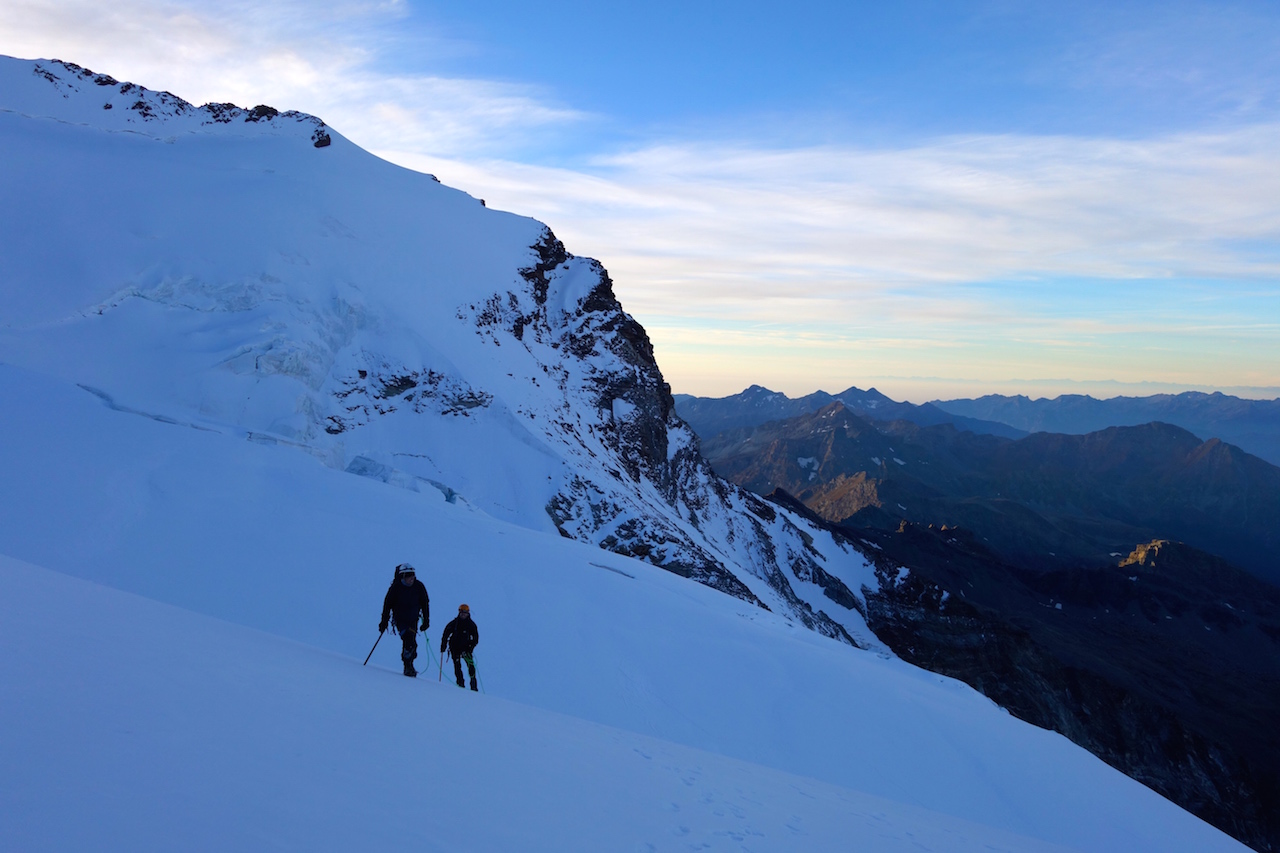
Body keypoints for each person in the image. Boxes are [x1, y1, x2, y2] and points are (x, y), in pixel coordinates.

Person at [379, 563, 429, 677]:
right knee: (409, 640)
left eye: (413, 575)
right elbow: (387, 605)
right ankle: (408, 666)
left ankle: (409, 664)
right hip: (400, 619)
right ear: (403, 576)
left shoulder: (419, 586)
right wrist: (384, 621)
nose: (412, 578)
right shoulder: (395, 588)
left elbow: (425, 603)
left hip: (413, 619)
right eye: (409, 575)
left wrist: (426, 620)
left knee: (412, 643)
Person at [440, 604, 480, 690]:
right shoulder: (454, 623)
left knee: (471, 666)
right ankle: (460, 684)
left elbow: (476, 639)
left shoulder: (471, 625)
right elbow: (446, 633)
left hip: (466, 649)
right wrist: (443, 645)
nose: (463, 614)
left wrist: (470, 648)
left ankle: (473, 685)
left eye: (465, 613)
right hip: (455, 648)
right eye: (462, 612)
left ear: (468, 613)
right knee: (457, 666)